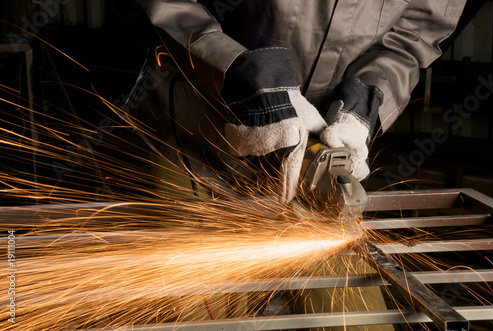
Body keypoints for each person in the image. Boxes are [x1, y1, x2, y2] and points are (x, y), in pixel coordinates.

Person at [125, 0, 466, 328]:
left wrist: (364, 103)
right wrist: (241, 76)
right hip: (196, 139)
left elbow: (412, 36)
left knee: (357, 320)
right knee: (196, 317)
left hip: (314, 165)